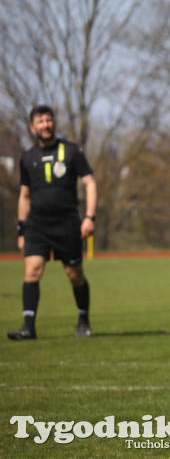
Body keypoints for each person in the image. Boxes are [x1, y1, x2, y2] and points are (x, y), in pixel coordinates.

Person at [8, 105, 97, 341]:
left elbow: (89, 183)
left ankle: (83, 320)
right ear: (32, 127)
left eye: (49, 120)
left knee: (74, 273)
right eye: (40, 121)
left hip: (67, 224)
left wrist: (89, 216)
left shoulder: (71, 151)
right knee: (32, 270)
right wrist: (21, 229)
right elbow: (24, 196)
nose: (46, 125)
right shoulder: (27, 158)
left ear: (54, 123)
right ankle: (28, 327)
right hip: (36, 226)